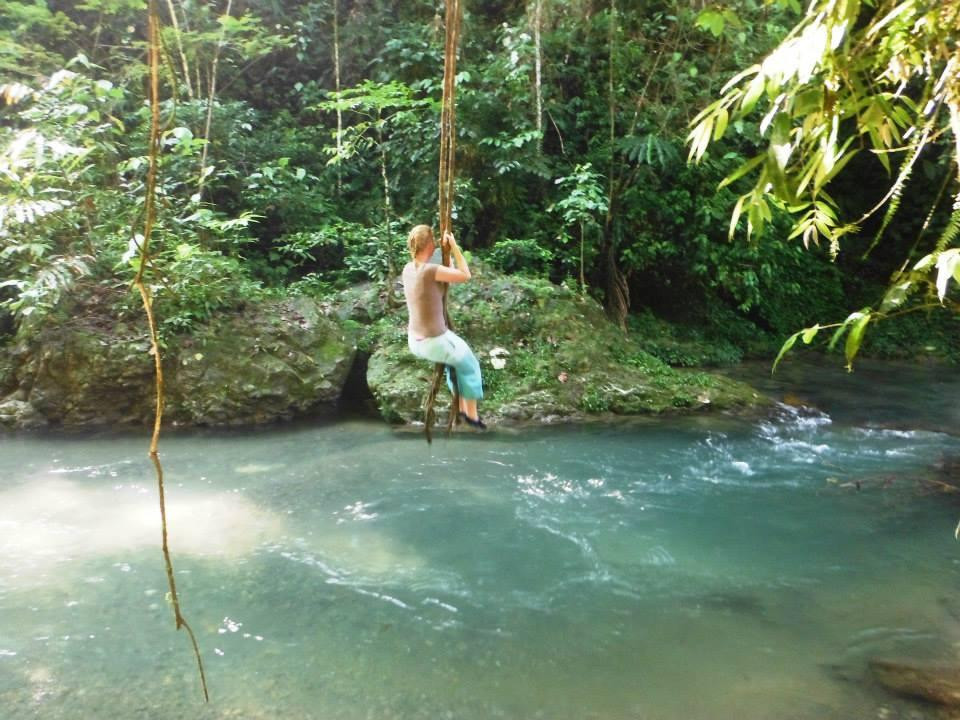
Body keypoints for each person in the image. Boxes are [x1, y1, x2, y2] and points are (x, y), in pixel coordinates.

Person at [402, 224, 485, 429]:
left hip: (415, 342)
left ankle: (462, 408)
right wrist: (454, 247)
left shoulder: (407, 269)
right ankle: (471, 414)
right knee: (471, 365)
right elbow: (465, 275)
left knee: (454, 364)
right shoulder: (431, 271)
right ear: (430, 245)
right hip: (434, 342)